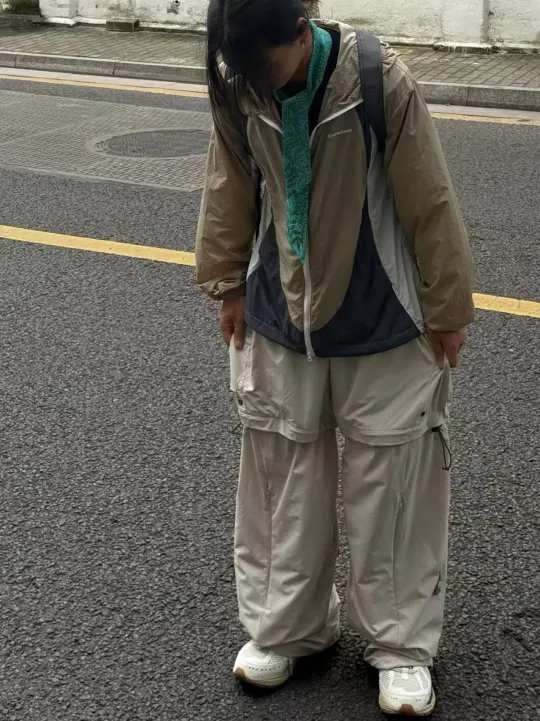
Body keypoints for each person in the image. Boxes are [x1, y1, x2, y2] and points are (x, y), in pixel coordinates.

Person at [196, 0, 474, 715]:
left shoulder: (378, 81)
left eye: (268, 64)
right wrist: (226, 282)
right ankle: (287, 627)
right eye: (242, 66)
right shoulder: (240, 80)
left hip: (387, 317)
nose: (259, 80)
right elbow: (230, 182)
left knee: (394, 484)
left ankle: (401, 644)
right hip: (279, 312)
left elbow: (429, 198)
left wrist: (448, 309)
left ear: (303, 28)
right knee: (281, 478)